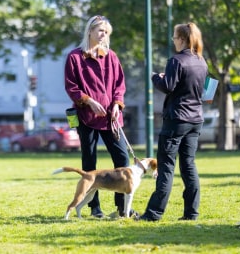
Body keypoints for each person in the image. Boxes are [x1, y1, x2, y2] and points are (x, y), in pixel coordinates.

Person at [64, 15, 132, 218]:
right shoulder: (75, 57)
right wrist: (89, 101)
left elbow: (119, 85)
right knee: (89, 162)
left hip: (111, 119)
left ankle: (122, 208)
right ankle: (94, 208)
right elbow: (71, 87)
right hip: (86, 118)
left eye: (107, 32)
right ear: (90, 31)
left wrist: (117, 105)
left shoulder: (111, 56)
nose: (104, 35)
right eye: (101, 30)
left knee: (122, 158)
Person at [139, 22, 208, 222]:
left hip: (176, 119)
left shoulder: (176, 61)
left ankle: (154, 213)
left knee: (166, 167)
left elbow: (168, 86)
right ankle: (191, 212)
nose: (173, 41)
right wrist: (167, 78)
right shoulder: (201, 61)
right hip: (195, 119)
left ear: (182, 39)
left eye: (175, 37)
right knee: (188, 165)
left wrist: (155, 77)